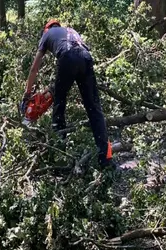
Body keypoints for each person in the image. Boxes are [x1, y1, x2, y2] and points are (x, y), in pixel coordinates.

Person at [23, 19, 113, 167]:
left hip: (68, 57)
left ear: (46, 30)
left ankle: (59, 152)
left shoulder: (47, 35)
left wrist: (27, 94)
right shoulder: (70, 31)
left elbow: (34, 69)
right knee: (94, 108)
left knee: (60, 102)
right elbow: (77, 58)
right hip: (86, 57)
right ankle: (106, 158)